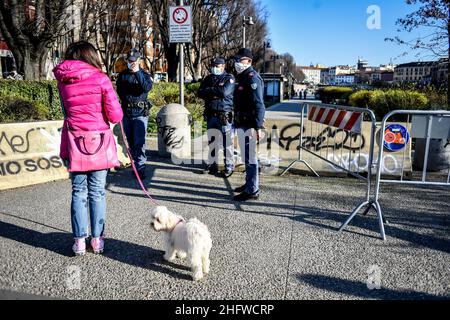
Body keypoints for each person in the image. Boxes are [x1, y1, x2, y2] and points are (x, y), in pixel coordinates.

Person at [53, 41, 123, 256]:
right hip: (98, 142)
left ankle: (79, 241)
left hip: (74, 141)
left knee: (78, 191)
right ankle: (97, 240)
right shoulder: (101, 79)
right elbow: (115, 115)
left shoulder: (63, 81)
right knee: (97, 192)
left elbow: (66, 112)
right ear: (91, 56)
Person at [232, 48, 265, 202]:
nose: (237, 63)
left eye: (240, 60)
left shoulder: (252, 79)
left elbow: (259, 105)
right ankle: (249, 184)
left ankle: (252, 190)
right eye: (236, 60)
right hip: (242, 123)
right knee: (247, 157)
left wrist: (258, 127)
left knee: (250, 158)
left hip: (249, 125)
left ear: (249, 61)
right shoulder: (243, 77)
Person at [116, 49, 153, 180]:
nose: (131, 63)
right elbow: (119, 92)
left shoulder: (145, 75)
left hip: (140, 114)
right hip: (127, 113)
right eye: (129, 61)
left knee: (139, 142)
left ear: (139, 61)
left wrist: (137, 72)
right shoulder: (122, 76)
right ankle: (135, 165)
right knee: (130, 142)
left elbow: (146, 88)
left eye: (134, 61)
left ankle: (141, 167)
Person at [198, 57, 236, 177]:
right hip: (211, 115)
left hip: (223, 116)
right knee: (212, 142)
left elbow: (224, 92)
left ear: (222, 67)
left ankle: (229, 166)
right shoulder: (208, 78)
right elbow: (200, 92)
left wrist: (209, 91)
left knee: (227, 143)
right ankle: (212, 165)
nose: (214, 68)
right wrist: (214, 92)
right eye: (213, 66)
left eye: (217, 66)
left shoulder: (229, 78)